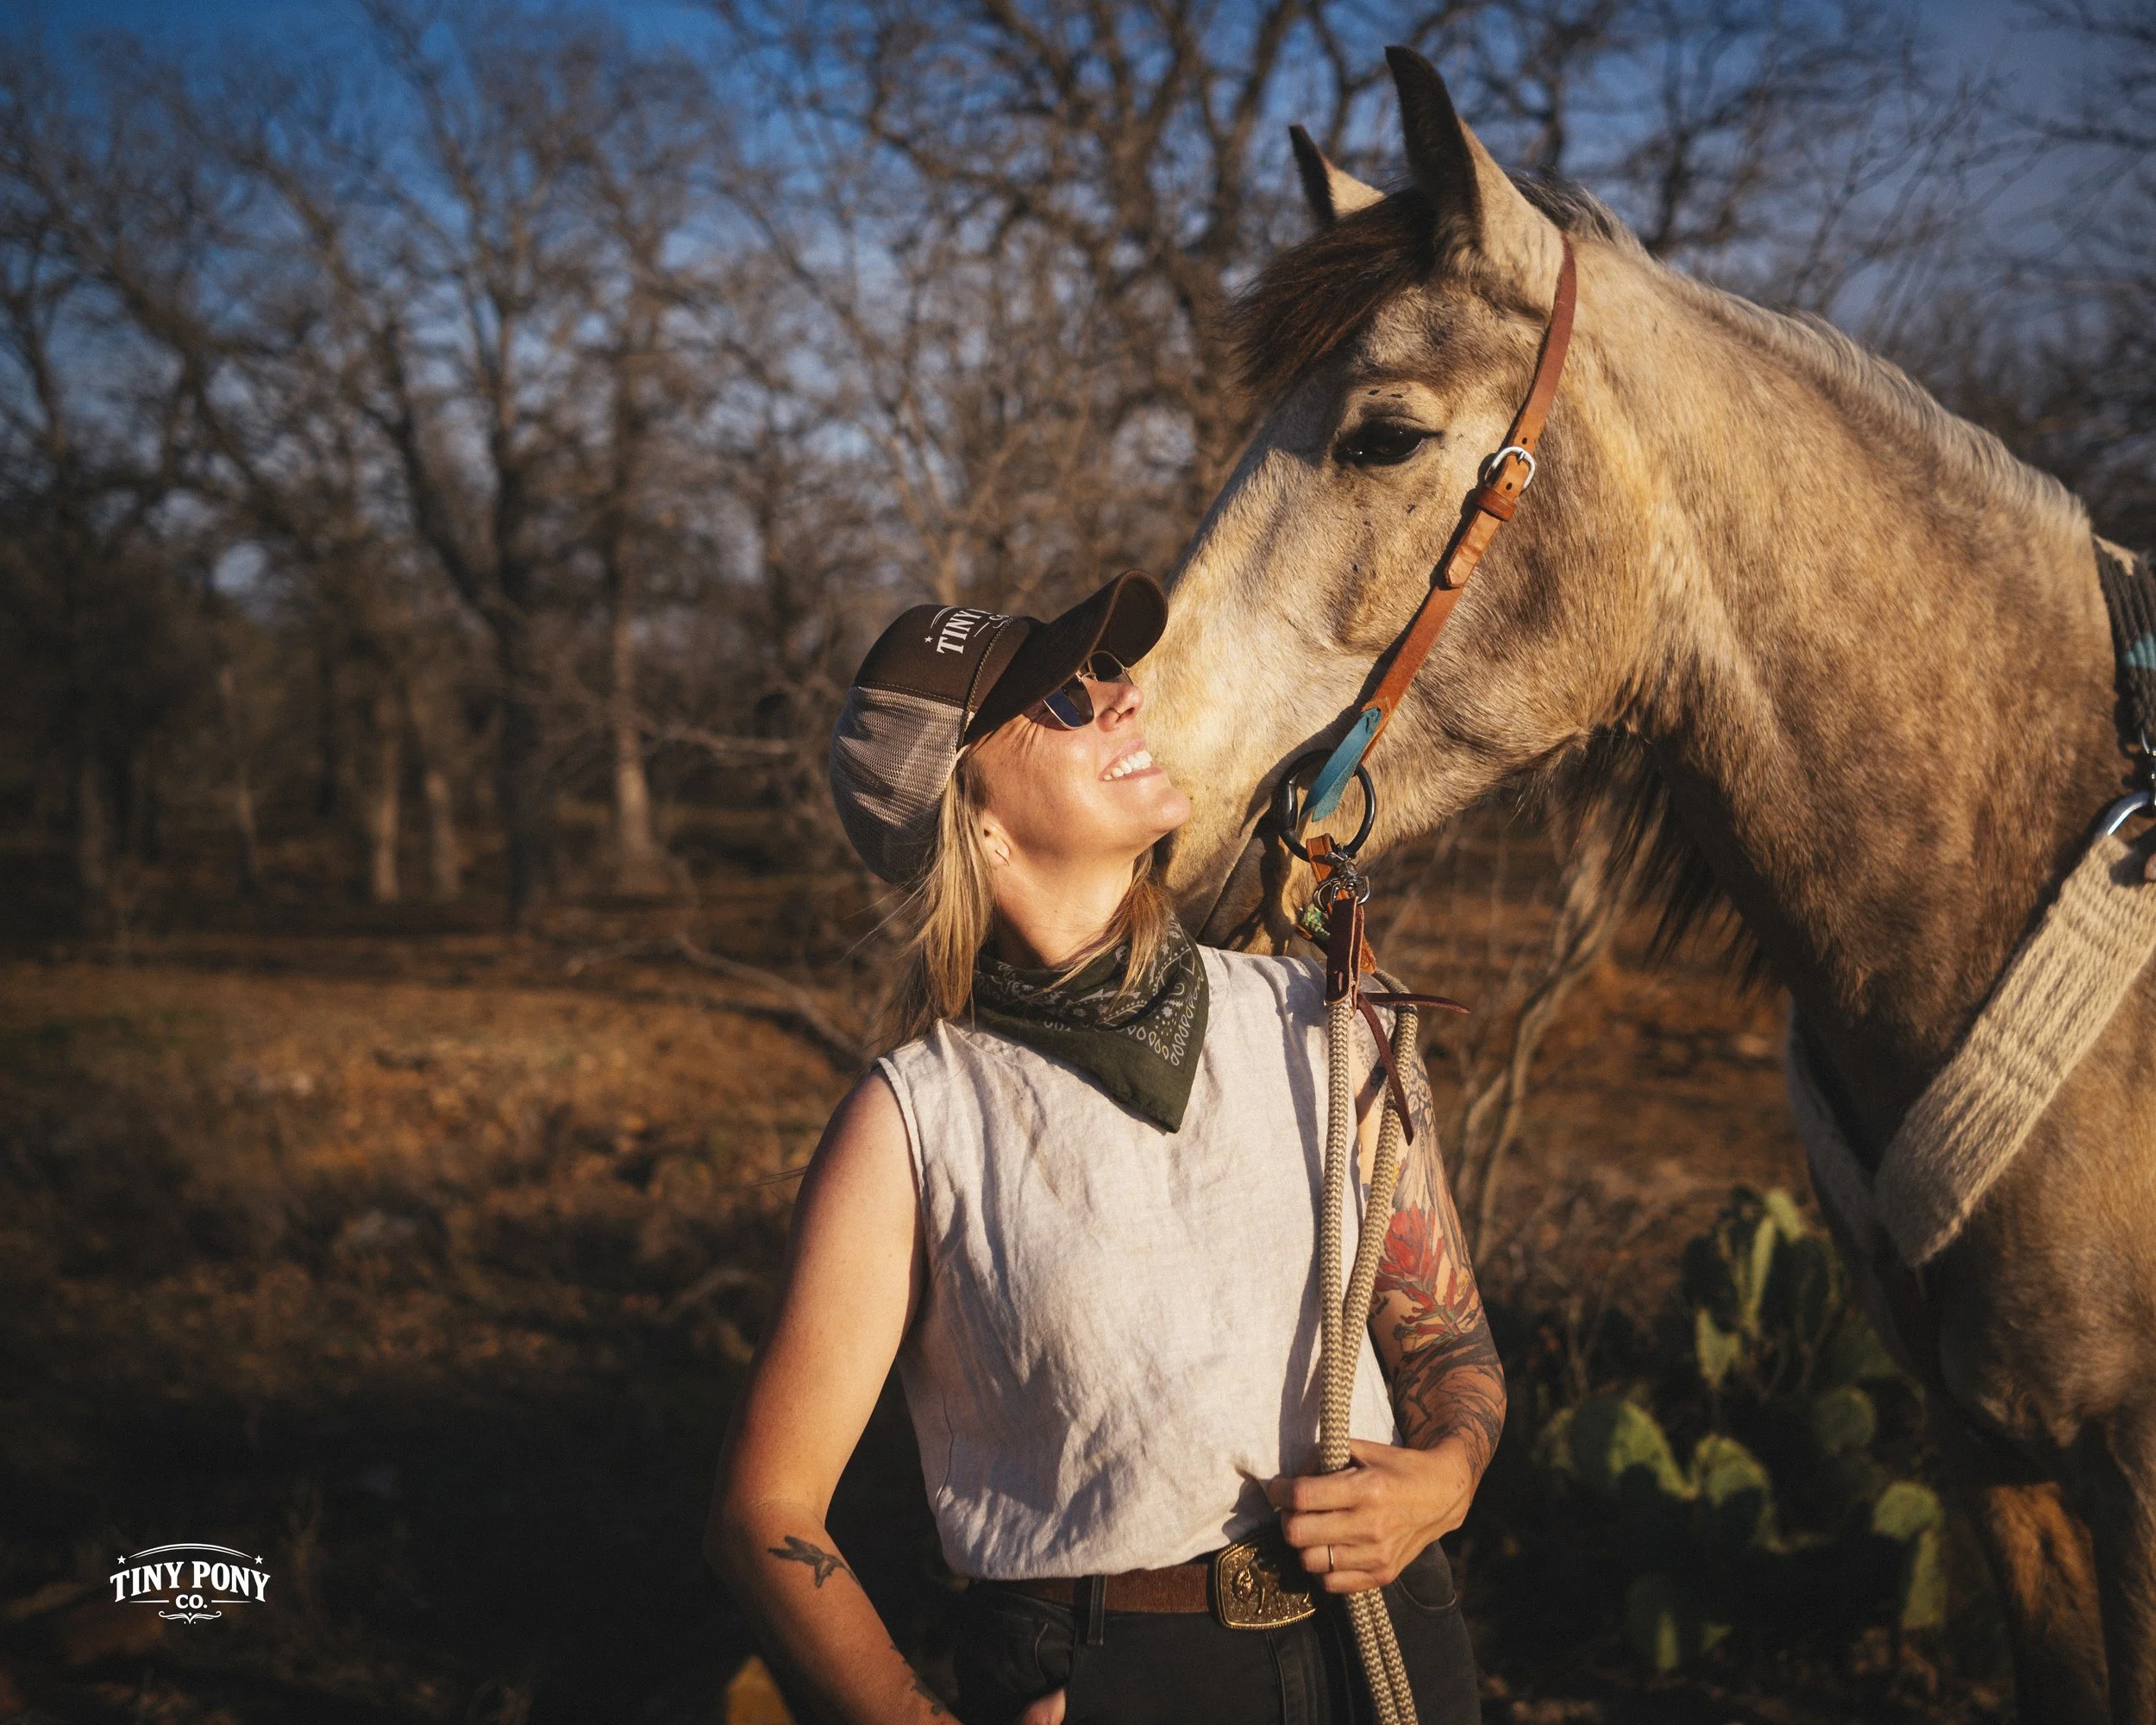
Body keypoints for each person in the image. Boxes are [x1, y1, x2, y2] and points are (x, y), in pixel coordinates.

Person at [705, 572, 1503, 1724]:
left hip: (1387, 1645)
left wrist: (1445, 1481)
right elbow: (762, 1512)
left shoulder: (1328, 1018)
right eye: (1064, 705)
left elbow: (1451, 1354)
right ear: (975, 823)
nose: (1122, 700)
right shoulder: (913, 1123)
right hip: (1113, 1675)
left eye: (1109, 675)